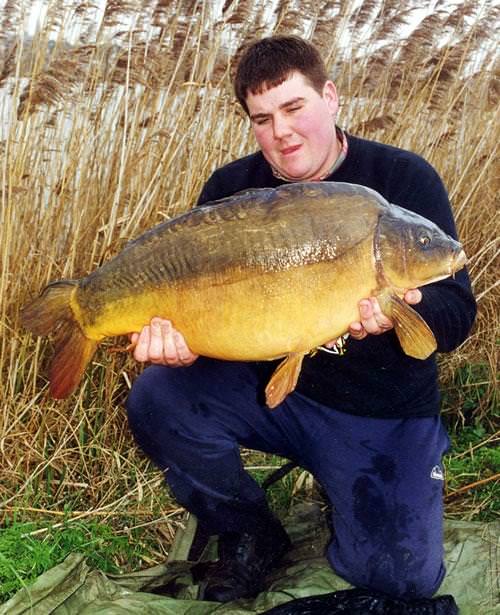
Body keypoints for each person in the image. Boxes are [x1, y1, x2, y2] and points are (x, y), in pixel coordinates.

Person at [126, 36, 476, 609]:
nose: (281, 132)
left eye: (294, 108)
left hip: (379, 413)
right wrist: (183, 343)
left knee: (402, 582)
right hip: (275, 394)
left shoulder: (402, 180)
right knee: (159, 396)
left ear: (330, 97)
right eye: (262, 119)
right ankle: (248, 530)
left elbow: (458, 317)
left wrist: (399, 315)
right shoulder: (231, 192)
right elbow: (215, 314)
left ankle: (388, 477)